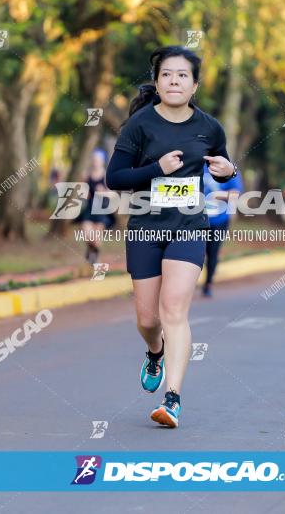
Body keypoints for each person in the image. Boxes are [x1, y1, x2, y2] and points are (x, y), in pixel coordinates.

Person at [105, 46, 237, 428]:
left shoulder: (209, 127)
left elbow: (223, 167)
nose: (174, 80)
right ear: (157, 81)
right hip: (147, 228)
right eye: (167, 74)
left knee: (174, 309)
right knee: (148, 319)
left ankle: (173, 398)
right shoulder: (140, 125)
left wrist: (229, 170)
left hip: (189, 227)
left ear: (194, 85)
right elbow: (115, 178)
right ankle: (154, 352)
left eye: (182, 75)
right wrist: (155, 168)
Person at [201, 161, 243, 297]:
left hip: (219, 220)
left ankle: (208, 283)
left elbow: (236, 193)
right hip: (196, 220)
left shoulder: (227, 166)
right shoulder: (195, 163)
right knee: (196, 251)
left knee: (212, 253)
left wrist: (217, 195)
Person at [76, 149, 115, 263]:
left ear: (102, 161)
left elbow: (113, 195)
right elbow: (81, 193)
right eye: (94, 160)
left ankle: (94, 261)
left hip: (102, 211)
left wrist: (103, 192)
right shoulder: (86, 175)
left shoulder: (106, 176)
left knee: (96, 240)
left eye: (98, 160)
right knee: (87, 235)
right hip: (89, 210)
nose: (95, 162)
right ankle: (90, 251)